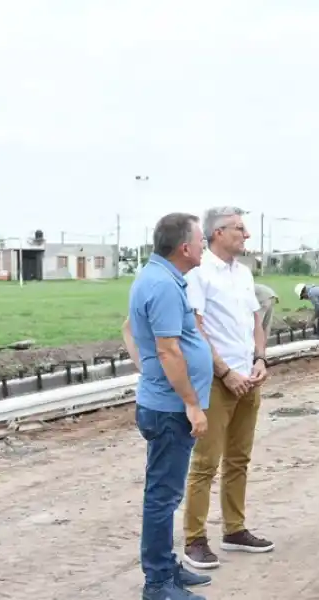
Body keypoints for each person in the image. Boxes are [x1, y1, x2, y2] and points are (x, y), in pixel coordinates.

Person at [122, 212, 214, 600]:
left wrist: (150, 375)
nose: (204, 246)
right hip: (170, 410)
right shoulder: (161, 284)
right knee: (162, 495)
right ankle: (157, 583)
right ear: (185, 247)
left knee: (165, 493)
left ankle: (166, 568)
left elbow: (130, 328)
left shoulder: (162, 278)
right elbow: (168, 349)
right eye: (200, 240)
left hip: (164, 402)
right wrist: (192, 404)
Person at [181, 206, 275, 571]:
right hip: (217, 383)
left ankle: (234, 529)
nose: (246, 234)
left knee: (239, 459)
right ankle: (194, 538)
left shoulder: (244, 275)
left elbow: (256, 321)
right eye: (239, 228)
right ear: (218, 233)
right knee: (206, 462)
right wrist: (224, 372)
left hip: (248, 378)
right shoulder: (200, 275)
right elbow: (196, 328)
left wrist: (260, 359)